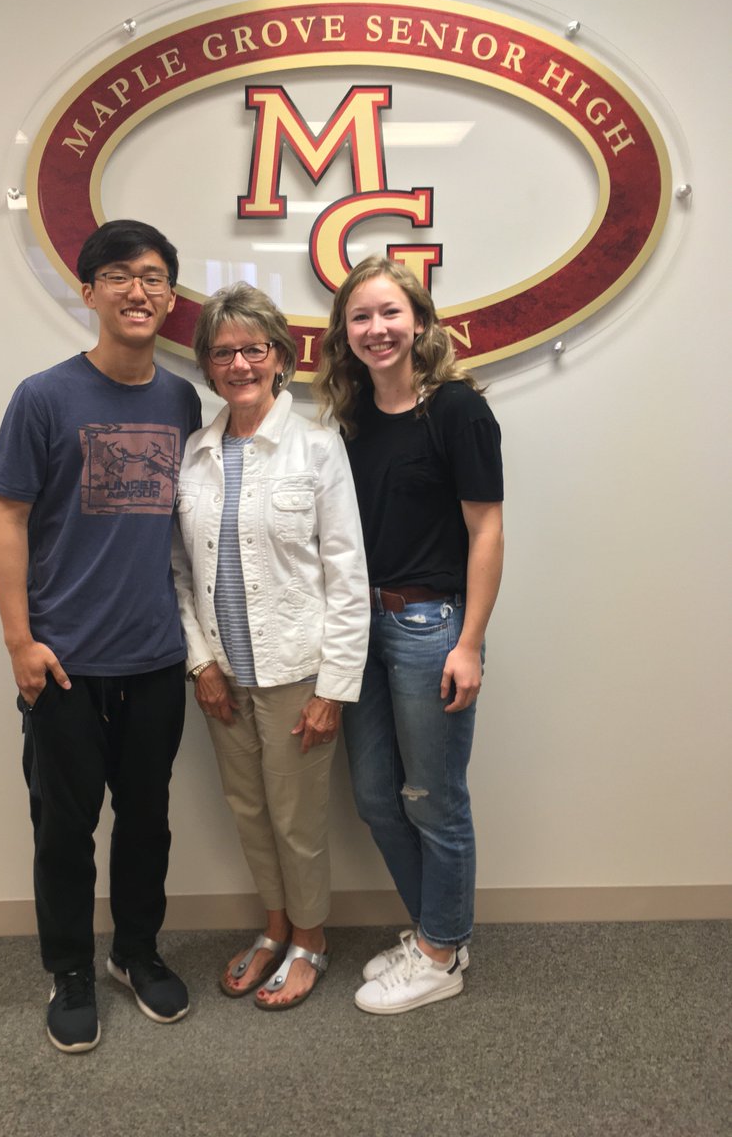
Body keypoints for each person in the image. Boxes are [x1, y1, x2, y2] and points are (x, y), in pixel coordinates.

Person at [0, 219, 202, 1053]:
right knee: (63, 829)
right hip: (63, 663)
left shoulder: (182, 401)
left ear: (170, 297)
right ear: (88, 292)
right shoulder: (43, 397)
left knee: (147, 820)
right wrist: (20, 642)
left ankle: (135, 953)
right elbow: (8, 517)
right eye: (118, 276)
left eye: (152, 277)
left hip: (155, 655)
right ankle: (70, 969)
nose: (136, 291)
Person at [314, 255, 504, 1015]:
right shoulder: (351, 416)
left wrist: (470, 643)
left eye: (390, 312)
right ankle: (437, 932)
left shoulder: (457, 410)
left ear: (419, 320)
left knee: (433, 799)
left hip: (431, 628)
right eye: (360, 317)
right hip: (359, 626)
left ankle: (441, 953)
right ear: (345, 333)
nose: (377, 328)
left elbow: (486, 530)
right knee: (375, 798)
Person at [172, 282, 369, 1010]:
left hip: (296, 674)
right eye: (223, 353)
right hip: (223, 675)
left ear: (282, 357)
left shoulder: (317, 448)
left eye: (254, 349)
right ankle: (275, 927)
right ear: (207, 365)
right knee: (249, 811)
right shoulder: (194, 456)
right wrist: (200, 662)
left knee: (297, 818)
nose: (239, 364)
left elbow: (348, 573)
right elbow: (178, 573)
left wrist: (333, 689)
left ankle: (310, 940)